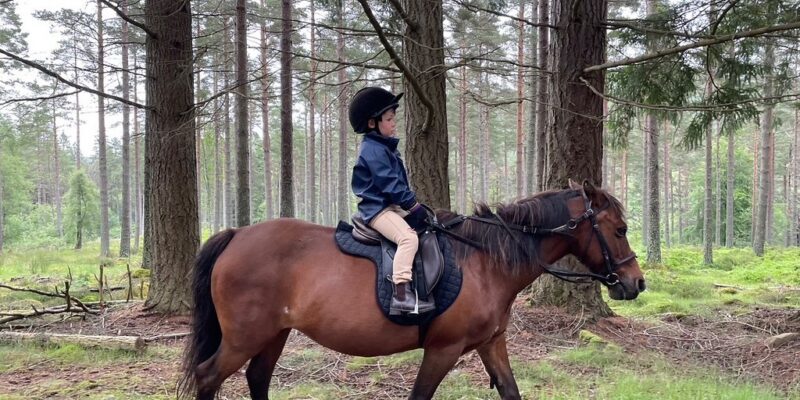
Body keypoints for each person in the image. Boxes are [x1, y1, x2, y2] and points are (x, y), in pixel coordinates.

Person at [349, 87, 434, 315]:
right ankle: (402, 296)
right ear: (371, 124)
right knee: (407, 238)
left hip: (391, 207)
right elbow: (390, 184)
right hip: (378, 210)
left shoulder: (383, 147)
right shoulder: (373, 150)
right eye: (389, 119)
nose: (394, 123)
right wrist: (412, 205)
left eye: (394, 118)